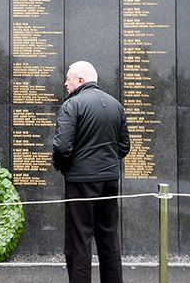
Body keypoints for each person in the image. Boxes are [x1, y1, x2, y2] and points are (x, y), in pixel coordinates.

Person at [53, 61, 130, 283]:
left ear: (80, 80)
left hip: (80, 182)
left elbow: (62, 147)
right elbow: (124, 147)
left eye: (68, 78)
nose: (65, 83)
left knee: (79, 242)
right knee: (109, 239)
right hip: (109, 179)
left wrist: (63, 166)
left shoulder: (72, 105)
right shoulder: (116, 105)